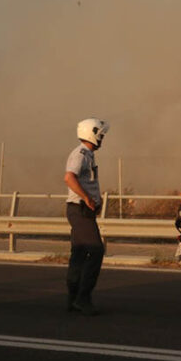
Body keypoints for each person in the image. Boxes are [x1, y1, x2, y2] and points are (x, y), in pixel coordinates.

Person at [64, 117, 109, 316]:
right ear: (92, 133)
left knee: (79, 253)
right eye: (101, 135)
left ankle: (73, 299)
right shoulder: (80, 154)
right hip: (79, 209)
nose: (102, 138)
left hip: (83, 210)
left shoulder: (88, 155)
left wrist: (94, 201)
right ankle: (83, 298)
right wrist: (87, 199)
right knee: (96, 250)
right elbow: (69, 177)